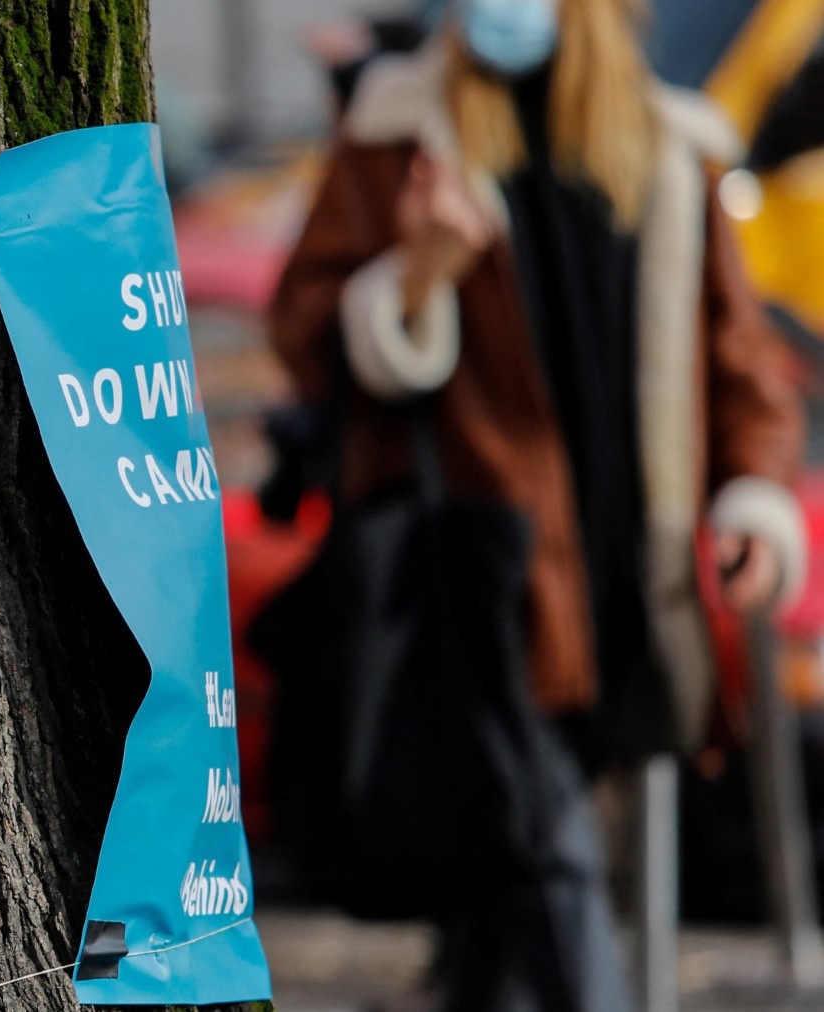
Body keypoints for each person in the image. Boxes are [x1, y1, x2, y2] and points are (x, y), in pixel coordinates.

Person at [269, 0, 806, 1007]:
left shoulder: (667, 151)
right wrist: (420, 269)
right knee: (544, 857)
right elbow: (305, 336)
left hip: (624, 575)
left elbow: (740, 367)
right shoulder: (396, 132)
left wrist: (750, 498)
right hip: (472, 582)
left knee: (503, 890)